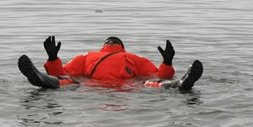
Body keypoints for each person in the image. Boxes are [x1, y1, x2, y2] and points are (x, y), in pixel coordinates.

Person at [18, 35, 202, 92]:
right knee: (151, 84)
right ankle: (179, 84)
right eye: (110, 41)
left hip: (93, 88)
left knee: (68, 82)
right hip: (126, 88)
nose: (111, 42)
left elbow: (63, 73)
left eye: (113, 41)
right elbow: (160, 76)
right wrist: (167, 63)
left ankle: (42, 80)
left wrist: (52, 60)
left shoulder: (87, 56)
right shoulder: (134, 58)